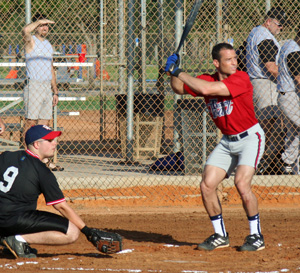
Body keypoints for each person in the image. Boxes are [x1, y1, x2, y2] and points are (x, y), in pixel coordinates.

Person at [165, 43, 265, 251]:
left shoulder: (241, 78)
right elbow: (178, 88)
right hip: (228, 141)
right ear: (216, 63)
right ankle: (220, 235)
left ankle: (256, 235)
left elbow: (207, 90)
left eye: (235, 58)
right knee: (207, 185)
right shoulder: (207, 78)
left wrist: (179, 72)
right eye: (229, 60)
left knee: (241, 184)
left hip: (250, 138)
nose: (235, 63)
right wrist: (173, 71)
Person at [0, 125, 122, 258]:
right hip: (15, 219)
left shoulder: (6, 156)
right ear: (36, 144)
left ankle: (7, 237)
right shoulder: (42, 171)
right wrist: (87, 231)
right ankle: (18, 240)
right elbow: (61, 207)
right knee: (71, 232)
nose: (55, 143)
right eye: (50, 140)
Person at [246, 7, 287, 171]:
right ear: (268, 22)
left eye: (283, 24)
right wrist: (291, 81)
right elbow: (271, 67)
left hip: (262, 83)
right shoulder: (264, 37)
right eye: (279, 24)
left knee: (273, 125)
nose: (281, 27)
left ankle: (266, 162)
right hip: (265, 84)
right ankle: (261, 163)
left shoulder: (257, 32)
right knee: (268, 125)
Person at [22, 13, 63, 171]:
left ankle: (43, 161)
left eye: (46, 25)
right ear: (36, 25)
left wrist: (55, 91)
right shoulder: (31, 41)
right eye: (42, 25)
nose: (45, 27)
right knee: (30, 122)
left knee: (44, 126)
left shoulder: (48, 45)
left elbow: (51, 68)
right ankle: (27, 159)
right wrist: (39, 21)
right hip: (34, 85)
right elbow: (25, 31)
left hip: (46, 86)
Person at [277, 29, 300, 175]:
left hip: (287, 95)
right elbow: (298, 78)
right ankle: (288, 162)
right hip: (289, 96)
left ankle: (289, 165)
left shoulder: (289, 45)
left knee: (294, 132)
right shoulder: (294, 51)